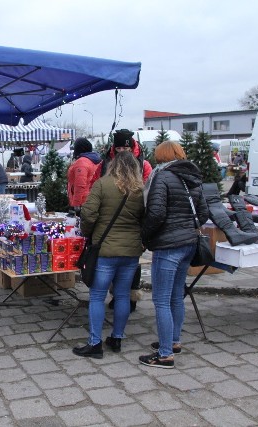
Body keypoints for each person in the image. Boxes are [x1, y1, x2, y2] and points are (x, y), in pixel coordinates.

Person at [139, 141, 209, 369]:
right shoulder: (193, 179)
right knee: (176, 296)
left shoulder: (162, 177)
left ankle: (165, 354)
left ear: (161, 156)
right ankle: (174, 341)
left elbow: (157, 212)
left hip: (168, 245)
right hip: (189, 243)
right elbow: (204, 213)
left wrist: (145, 235)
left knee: (161, 299)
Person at [72, 151, 144, 359]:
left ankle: (95, 343)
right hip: (130, 252)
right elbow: (146, 218)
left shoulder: (102, 184)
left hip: (105, 250)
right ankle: (117, 338)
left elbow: (88, 213)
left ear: (113, 165)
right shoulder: (140, 190)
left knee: (97, 296)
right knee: (122, 295)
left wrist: (89, 232)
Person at [106, 129, 152, 312]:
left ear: (131, 146)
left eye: (125, 147)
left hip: (134, 219)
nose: (122, 151)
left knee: (133, 262)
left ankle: (131, 295)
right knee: (113, 261)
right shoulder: (106, 163)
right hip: (111, 219)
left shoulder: (144, 165)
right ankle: (116, 295)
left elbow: (148, 191)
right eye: (118, 147)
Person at [67, 137, 103, 210]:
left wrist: (76, 204)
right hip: (93, 199)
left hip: (83, 202)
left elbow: (80, 185)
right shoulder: (95, 160)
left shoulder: (82, 162)